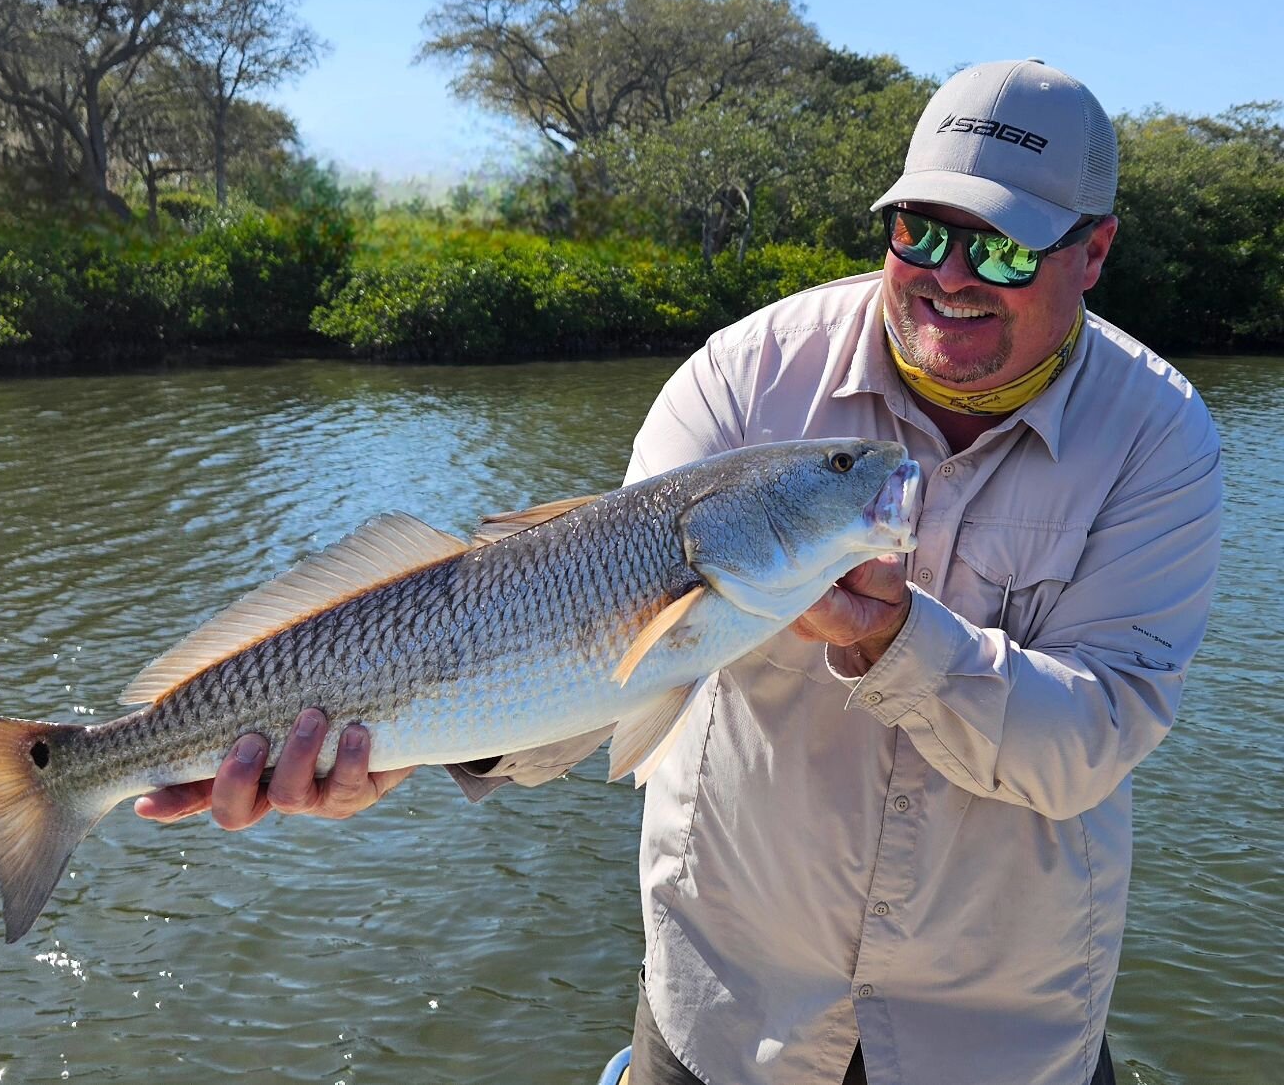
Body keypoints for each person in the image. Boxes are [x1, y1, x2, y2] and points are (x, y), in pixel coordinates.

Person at [136, 59, 1223, 1085]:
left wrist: (898, 641)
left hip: (998, 1030)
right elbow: (577, 645)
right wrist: (404, 750)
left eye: (1002, 250)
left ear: (1095, 251)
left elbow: (1093, 740)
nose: (948, 275)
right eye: (920, 230)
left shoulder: (1159, 438)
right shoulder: (743, 377)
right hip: (732, 1009)